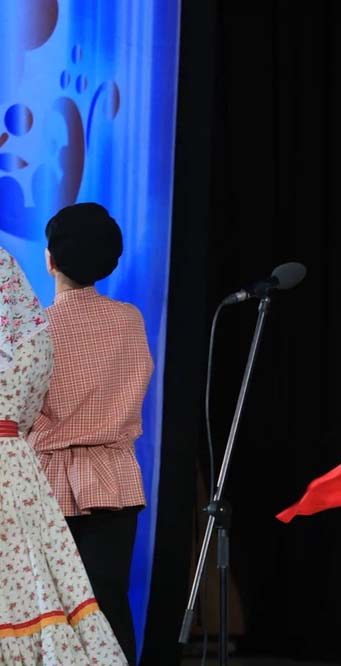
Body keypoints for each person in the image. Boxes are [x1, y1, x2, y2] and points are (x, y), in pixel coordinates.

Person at [26, 203, 152, 665]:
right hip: (113, 480)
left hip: (45, 481)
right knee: (108, 604)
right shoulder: (129, 319)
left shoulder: (37, 328)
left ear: (50, 260)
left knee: (46, 611)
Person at [0, 246, 127, 664]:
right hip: (105, 471)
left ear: (51, 261)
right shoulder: (128, 319)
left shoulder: (49, 323)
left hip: (49, 466)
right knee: (83, 592)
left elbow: (41, 405)